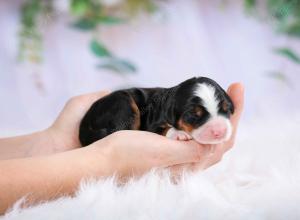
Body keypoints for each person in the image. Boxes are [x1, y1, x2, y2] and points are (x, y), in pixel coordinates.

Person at [0, 83, 244, 214]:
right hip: (109, 119)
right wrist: (107, 160)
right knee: (123, 105)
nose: (218, 127)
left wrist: (54, 142)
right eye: (196, 117)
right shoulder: (158, 110)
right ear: (175, 113)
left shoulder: (173, 102)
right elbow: (156, 125)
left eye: (223, 110)